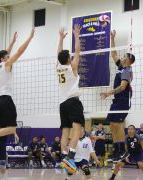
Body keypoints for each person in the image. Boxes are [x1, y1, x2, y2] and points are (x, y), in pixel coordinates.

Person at [0, 29, 35, 172]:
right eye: (7, 56)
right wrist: (29, 38)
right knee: (12, 129)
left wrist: (12, 42)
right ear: (3, 59)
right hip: (6, 100)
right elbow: (19, 52)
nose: (9, 56)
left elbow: (4, 53)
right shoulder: (7, 64)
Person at [100, 30, 135, 161]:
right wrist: (112, 38)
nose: (122, 56)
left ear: (129, 60)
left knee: (118, 124)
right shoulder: (121, 66)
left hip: (123, 100)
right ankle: (117, 150)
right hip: (117, 100)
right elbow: (113, 53)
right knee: (112, 125)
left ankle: (122, 151)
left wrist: (109, 92)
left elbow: (123, 87)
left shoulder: (127, 70)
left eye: (125, 55)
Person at [56, 25, 85, 174]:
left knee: (65, 133)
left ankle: (64, 156)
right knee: (77, 130)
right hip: (73, 101)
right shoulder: (71, 66)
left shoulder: (58, 67)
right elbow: (78, 52)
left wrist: (60, 39)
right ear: (68, 58)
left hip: (62, 104)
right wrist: (76, 35)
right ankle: (71, 156)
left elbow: (59, 53)